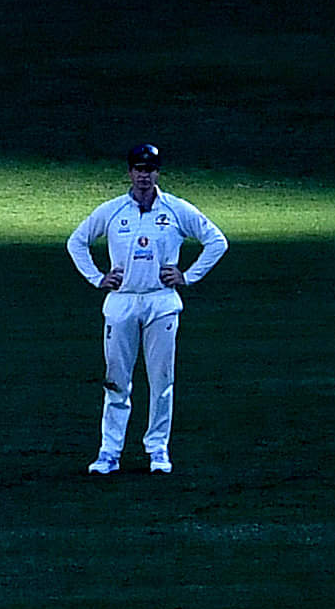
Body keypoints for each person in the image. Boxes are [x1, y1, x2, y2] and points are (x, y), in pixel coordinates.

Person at [66, 144, 228, 475]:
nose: (143, 176)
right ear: (129, 172)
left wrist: (187, 276)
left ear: (158, 172)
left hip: (162, 304)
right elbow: (76, 241)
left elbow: (216, 241)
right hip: (122, 303)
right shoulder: (113, 211)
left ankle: (158, 450)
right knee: (116, 381)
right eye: (138, 170)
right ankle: (109, 452)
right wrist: (98, 278)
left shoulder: (175, 210)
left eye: (149, 170)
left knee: (161, 381)